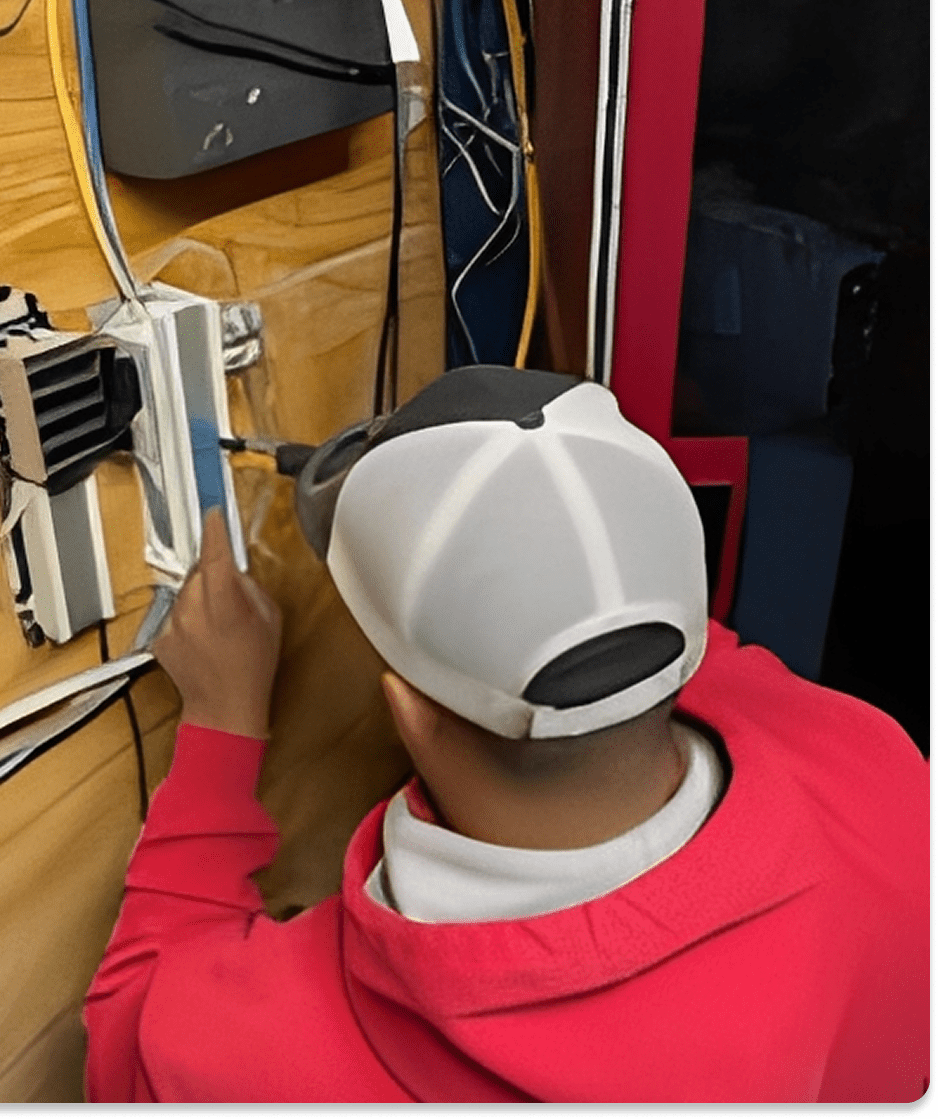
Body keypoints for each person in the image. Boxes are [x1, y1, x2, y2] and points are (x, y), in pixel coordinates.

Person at [83, 366, 930, 1104]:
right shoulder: (878, 772)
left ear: (408, 714)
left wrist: (222, 723)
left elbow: (126, 1040)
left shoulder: (280, 1059)